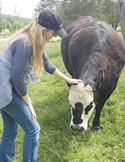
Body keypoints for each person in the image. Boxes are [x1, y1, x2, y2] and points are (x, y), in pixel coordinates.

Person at [0, 9, 82, 162]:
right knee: (33, 129)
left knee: (10, 130)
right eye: (54, 32)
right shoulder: (25, 44)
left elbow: (48, 65)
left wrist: (68, 80)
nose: (55, 36)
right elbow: (17, 78)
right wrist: (29, 104)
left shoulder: (32, 40)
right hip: (6, 92)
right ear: (44, 30)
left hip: (4, 90)